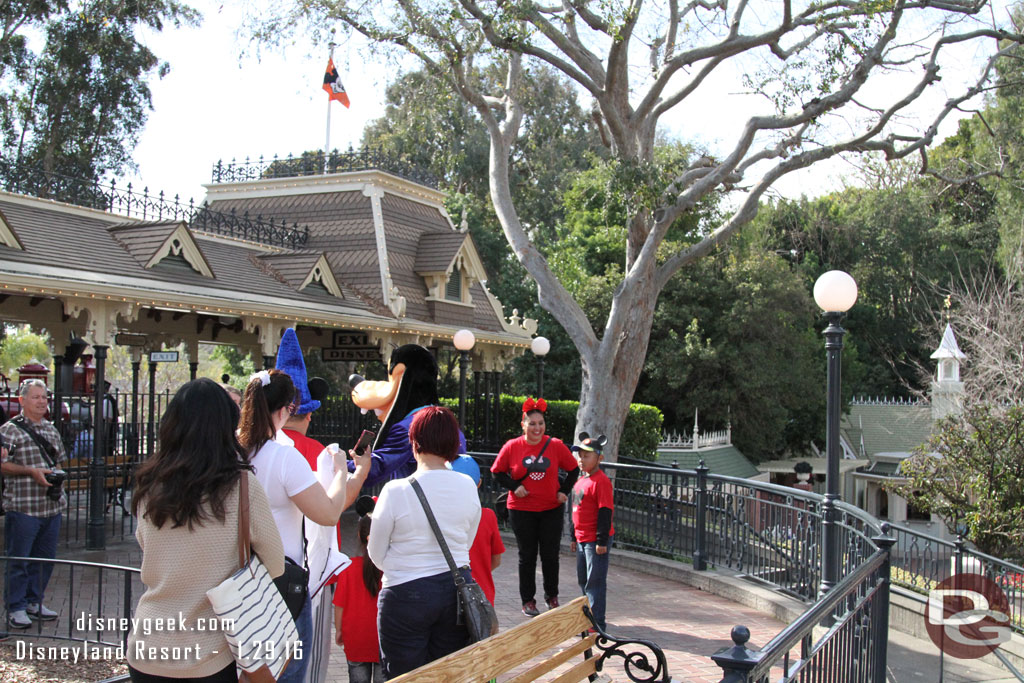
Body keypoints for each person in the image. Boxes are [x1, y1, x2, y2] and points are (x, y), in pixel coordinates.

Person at [126, 378, 285, 682]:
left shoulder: (148, 483)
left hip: (148, 643)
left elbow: (147, 545)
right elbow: (275, 564)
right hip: (211, 649)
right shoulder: (241, 486)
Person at [238, 369, 359, 683]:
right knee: (287, 674)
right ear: (283, 411)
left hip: (235, 580)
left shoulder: (232, 452)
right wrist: (339, 473)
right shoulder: (284, 458)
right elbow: (329, 513)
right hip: (280, 582)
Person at [369, 406, 481, 678]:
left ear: (414, 442)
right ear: (454, 444)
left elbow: (376, 552)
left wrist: (401, 567)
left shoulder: (395, 490)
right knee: (446, 675)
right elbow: (466, 543)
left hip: (405, 592)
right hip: (455, 593)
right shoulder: (468, 485)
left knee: (403, 676)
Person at [490, 397, 579, 617]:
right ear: (523, 425)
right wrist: (514, 486)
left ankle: (552, 596)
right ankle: (528, 601)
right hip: (521, 509)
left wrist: (563, 491)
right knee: (527, 556)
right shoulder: (512, 446)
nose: (537, 428)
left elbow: (573, 469)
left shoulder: (555, 446)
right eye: (532, 423)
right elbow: (497, 472)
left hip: (551, 508)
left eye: (540, 423)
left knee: (550, 555)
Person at [0, 379, 66, 630]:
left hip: (51, 507)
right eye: (36, 397)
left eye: (44, 397)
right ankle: (15, 606)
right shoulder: (9, 431)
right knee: (19, 559)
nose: (41, 402)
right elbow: (3, 465)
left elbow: (59, 462)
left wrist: (56, 477)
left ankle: (34, 601)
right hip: (24, 506)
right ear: (22, 400)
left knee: (44, 559)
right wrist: (31, 472)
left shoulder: (51, 429)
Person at [333, 496, 383, 683]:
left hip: (355, 637)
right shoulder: (389, 568)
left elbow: (339, 605)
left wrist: (339, 630)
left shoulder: (348, 567)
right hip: (382, 638)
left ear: (359, 536)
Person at [568, 433, 614, 632]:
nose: (582, 459)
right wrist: (572, 535)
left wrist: (602, 540)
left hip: (595, 539)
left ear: (599, 458)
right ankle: (588, 618)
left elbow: (605, 511)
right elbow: (575, 509)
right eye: (580, 456)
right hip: (581, 538)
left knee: (594, 581)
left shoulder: (601, 482)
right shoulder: (580, 482)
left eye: (587, 456)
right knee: (584, 580)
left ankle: (597, 623)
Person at [451, 454, 505, 606]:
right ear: (479, 483)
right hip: (482, 593)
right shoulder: (488, 516)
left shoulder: (441, 515)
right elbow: (496, 560)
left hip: (450, 595)